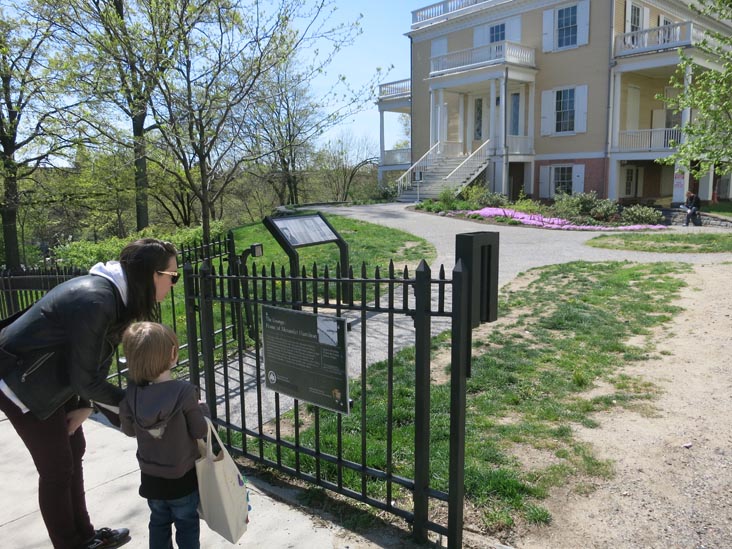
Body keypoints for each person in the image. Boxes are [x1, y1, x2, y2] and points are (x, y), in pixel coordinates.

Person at [0, 238, 179, 549]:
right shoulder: (96, 301)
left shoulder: (115, 297)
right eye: (173, 276)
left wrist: (84, 404)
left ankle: (85, 537)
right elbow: (86, 377)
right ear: (153, 275)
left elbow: (94, 360)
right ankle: (69, 544)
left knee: (74, 451)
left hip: (54, 377)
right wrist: (136, 405)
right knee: (56, 468)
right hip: (19, 383)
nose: (174, 283)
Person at [119, 322, 209, 549]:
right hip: (182, 479)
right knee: (187, 523)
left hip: (150, 478)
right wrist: (202, 410)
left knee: (158, 522)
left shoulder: (132, 393)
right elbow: (200, 431)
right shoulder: (184, 392)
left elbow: (129, 430)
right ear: (173, 354)